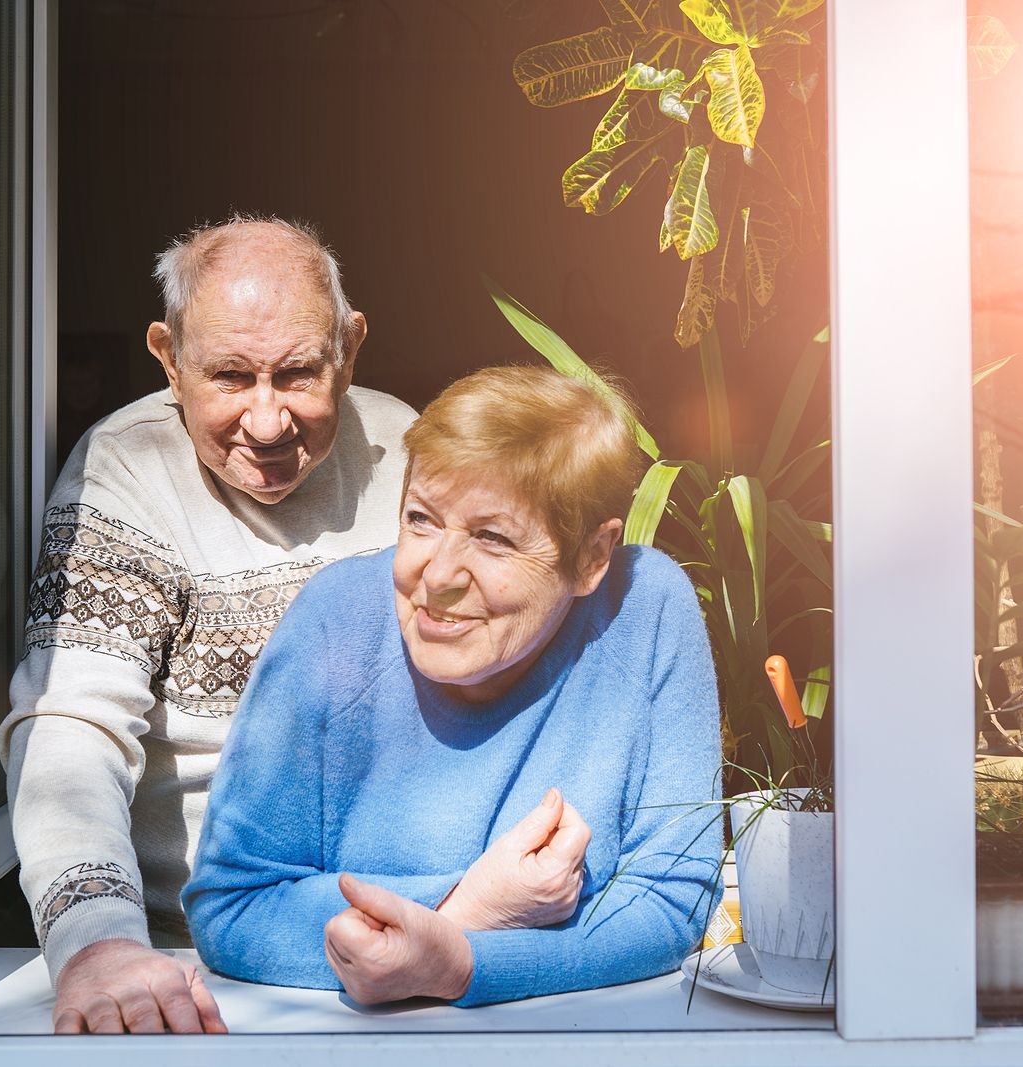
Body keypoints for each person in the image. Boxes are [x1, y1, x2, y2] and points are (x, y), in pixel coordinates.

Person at [184, 366, 722, 1007]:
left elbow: (670, 897)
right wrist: (472, 906)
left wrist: (461, 962)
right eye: (421, 519)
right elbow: (232, 906)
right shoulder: (335, 622)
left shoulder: (643, 609)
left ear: (590, 558)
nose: (436, 574)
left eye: (492, 538)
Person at [0, 215, 417, 1033]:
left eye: (298, 373)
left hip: (412, 937)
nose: (267, 422)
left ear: (351, 346)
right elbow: (70, 728)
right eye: (230, 376)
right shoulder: (124, 469)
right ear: (168, 357)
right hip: (194, 963)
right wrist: (100, 944)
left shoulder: (411, 451)